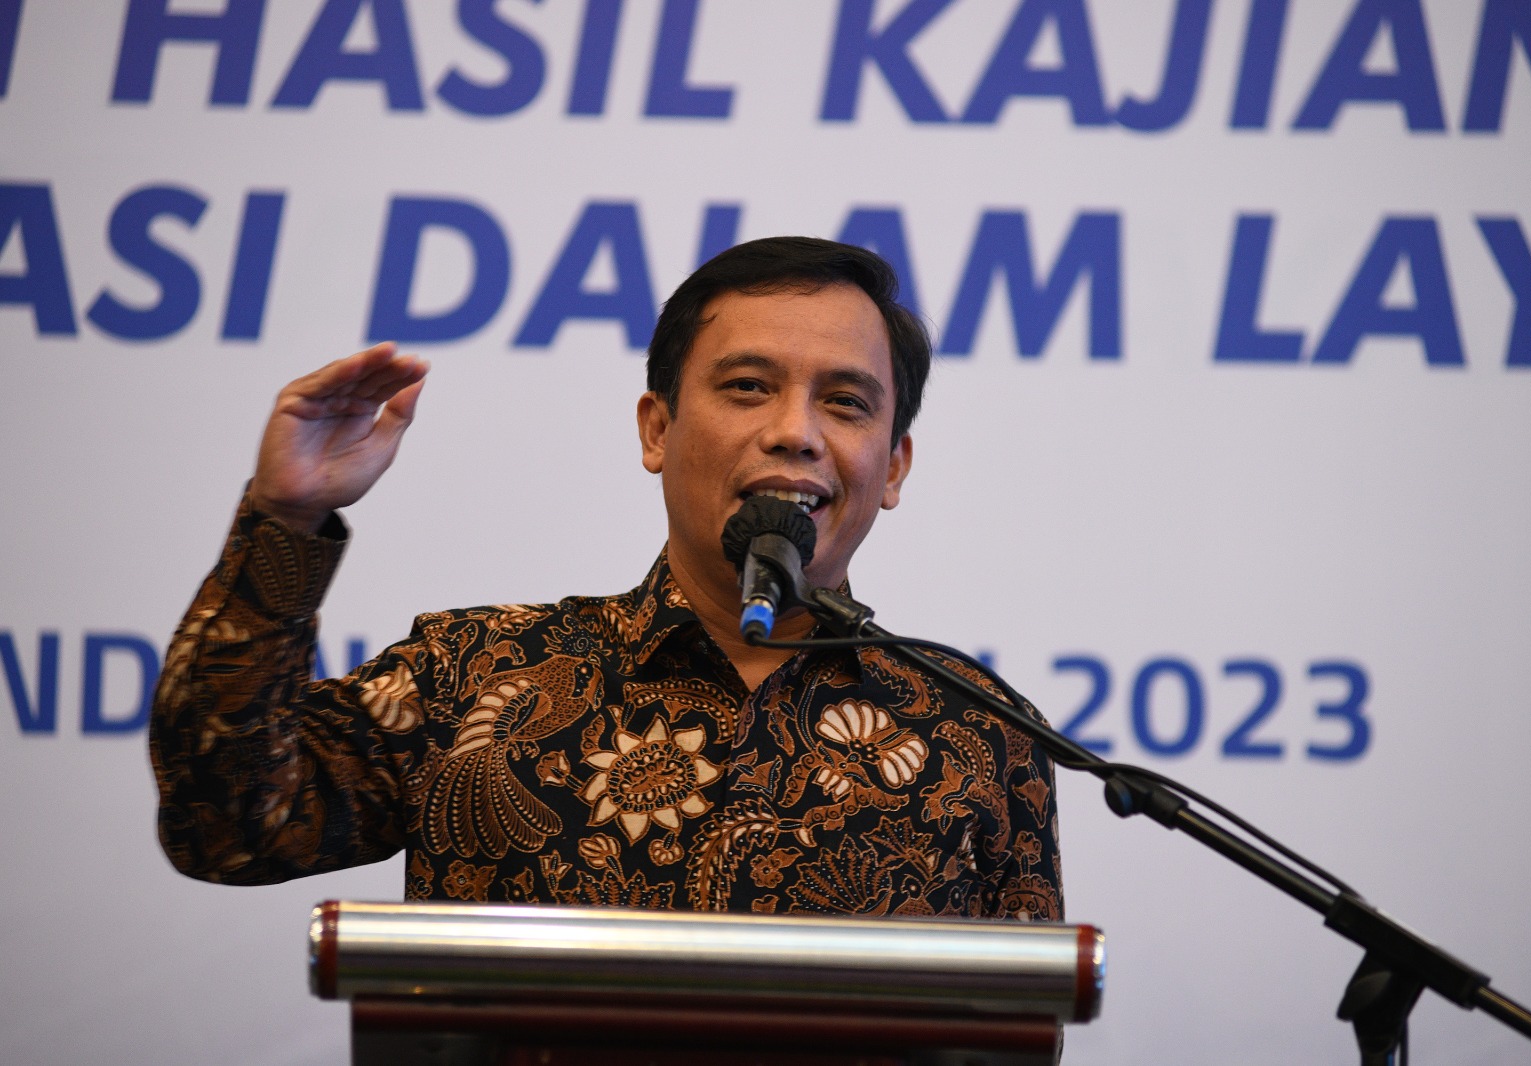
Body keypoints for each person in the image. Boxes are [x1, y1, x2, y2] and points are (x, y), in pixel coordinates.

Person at [150, 237, 1062, 919]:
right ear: (657, 429)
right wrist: (286, 519)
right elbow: (224, 825)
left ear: (893, 466)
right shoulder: (476, 675)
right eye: (748, 386)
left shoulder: (979, 732)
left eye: (846, 401)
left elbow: (1014, 1031)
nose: (795, 431)